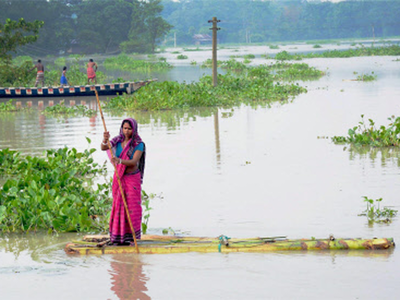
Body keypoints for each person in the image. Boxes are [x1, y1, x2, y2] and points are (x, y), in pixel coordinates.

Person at [101, 118, 146, 245]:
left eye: (129, 129)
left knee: (132, 207)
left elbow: (133, 161)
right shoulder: (116, 140)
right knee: (119, 207)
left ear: (134, 129)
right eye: (125, 128)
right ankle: (119, 237)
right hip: (120, 178)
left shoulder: (138, 144)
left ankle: (132, 238)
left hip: (132, 178)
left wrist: (119, 161)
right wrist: (105, 139)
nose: (126, 131)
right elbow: (103, 147)